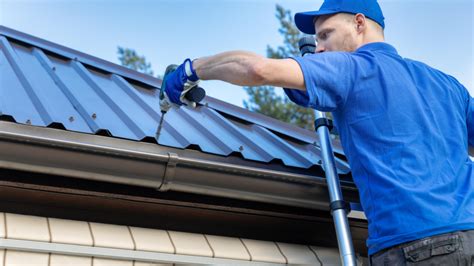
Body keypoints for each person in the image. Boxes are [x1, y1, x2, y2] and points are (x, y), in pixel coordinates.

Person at [163, 0, 474, 264]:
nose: (320, 47)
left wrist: (191, 70)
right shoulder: (445, 84)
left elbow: (257, 69)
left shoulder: (351, 68)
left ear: (359, 24)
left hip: (417, 247)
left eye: (326, 35)